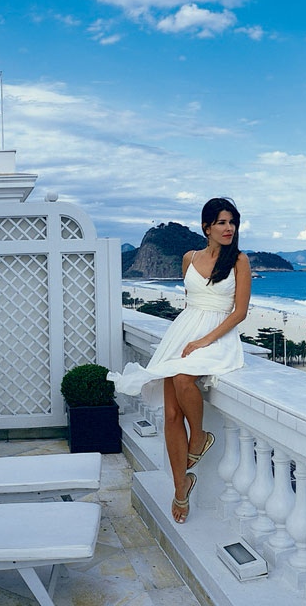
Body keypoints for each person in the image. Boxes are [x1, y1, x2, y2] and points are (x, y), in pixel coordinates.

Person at [109, 198, 250, 524]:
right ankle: (180, 489)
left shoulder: (239, 261)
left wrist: (203, 340)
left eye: (232, 222)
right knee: (172, 414)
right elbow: (191, 302)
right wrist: (190, 335)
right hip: (184, 329)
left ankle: (198, 437)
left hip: (218, 335)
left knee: (184, 378)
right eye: (221, 222)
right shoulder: (189, 258)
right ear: (207, 227)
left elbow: (239, 312)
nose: (228, 228)